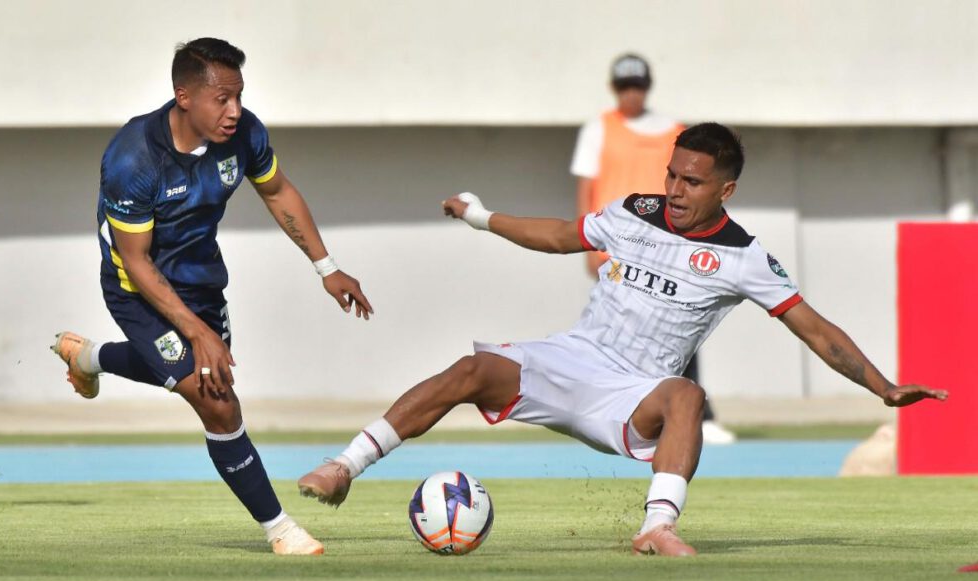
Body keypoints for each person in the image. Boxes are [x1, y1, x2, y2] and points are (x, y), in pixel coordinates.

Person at [297, 122, 947, 557]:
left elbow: (814, 327)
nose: (675, 190)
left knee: (687, 393)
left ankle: (657, 525)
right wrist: (480, 217)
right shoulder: (634, 212)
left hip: (637, 394)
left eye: (692, 182)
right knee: (472, 368)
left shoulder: (742, 255)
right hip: (573, 358)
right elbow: (558, 235)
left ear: (727, 189)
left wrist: (881, 385)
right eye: (672, 175)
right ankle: (342, 467)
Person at [50, 38, 373, 556]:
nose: (235, 110)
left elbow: (277, 191)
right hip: (138, 289)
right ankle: (281, 531)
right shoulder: (132, 158)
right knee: (217, 402)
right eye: (221, 99)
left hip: (201, 282)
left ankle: (89, 356)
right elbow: (137, 261)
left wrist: (326, 267)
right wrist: (198, 335)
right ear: (184, 96)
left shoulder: (245, 134)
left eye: (239, 96)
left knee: (191, 373)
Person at [571, 53, 735, 444]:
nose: (632, 95)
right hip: (618, 245)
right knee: (615, 326)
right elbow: (585, 189)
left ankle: (697, 414)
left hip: (671, 245)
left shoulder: (674, 131)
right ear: (615, 89)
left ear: (648, 87)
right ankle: (616, 411)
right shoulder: (599, 129)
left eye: (638, 86)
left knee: (681, 325)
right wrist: (588, 245)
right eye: (625, 87)